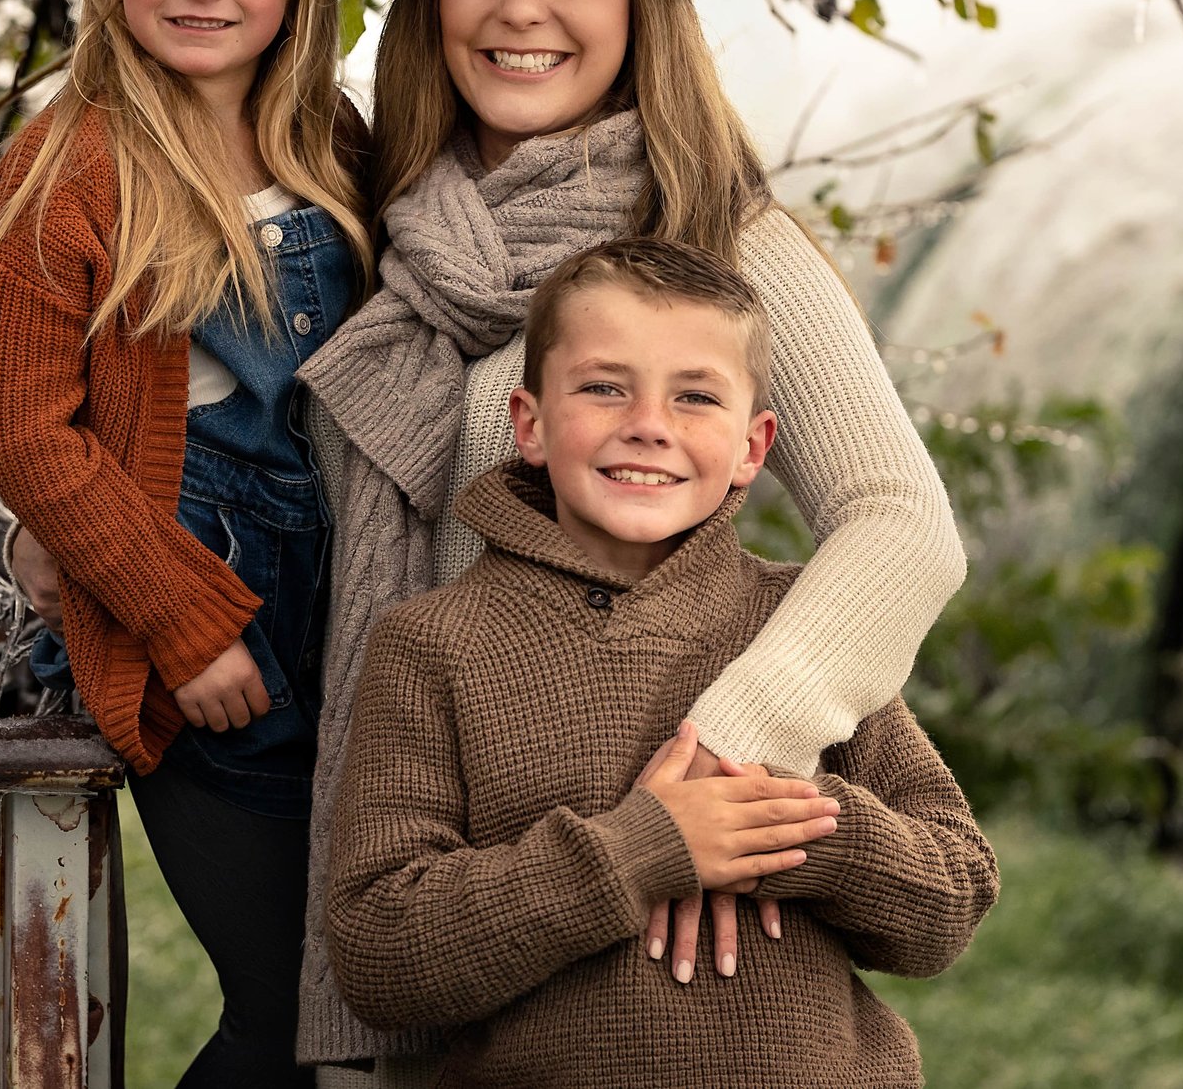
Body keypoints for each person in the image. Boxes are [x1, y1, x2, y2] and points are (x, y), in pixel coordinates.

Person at [296, 0, 968, 1072]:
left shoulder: (719, 232)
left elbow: (903, 523)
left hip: (670, 928)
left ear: (637, 4)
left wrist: (734, 753)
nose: (521, 5)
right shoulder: (379, 226)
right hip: (437, 866)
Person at [324, 238, 997, 1086]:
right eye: (605, 386)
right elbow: (383, 951)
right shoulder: (433, 645)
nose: (649, 423)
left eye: (695, 396)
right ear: (527, 422)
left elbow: (953, 895)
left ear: (755, 447)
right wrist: (641, 848)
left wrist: (778, 827)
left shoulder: (802, 628)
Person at [0, 0, 370, 1089]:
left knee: (372, 997)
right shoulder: (71, 163)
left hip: (345, 597)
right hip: (194, 615)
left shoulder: (329, 139)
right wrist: (182, 621)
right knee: (287, 1011)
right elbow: (23, 431)